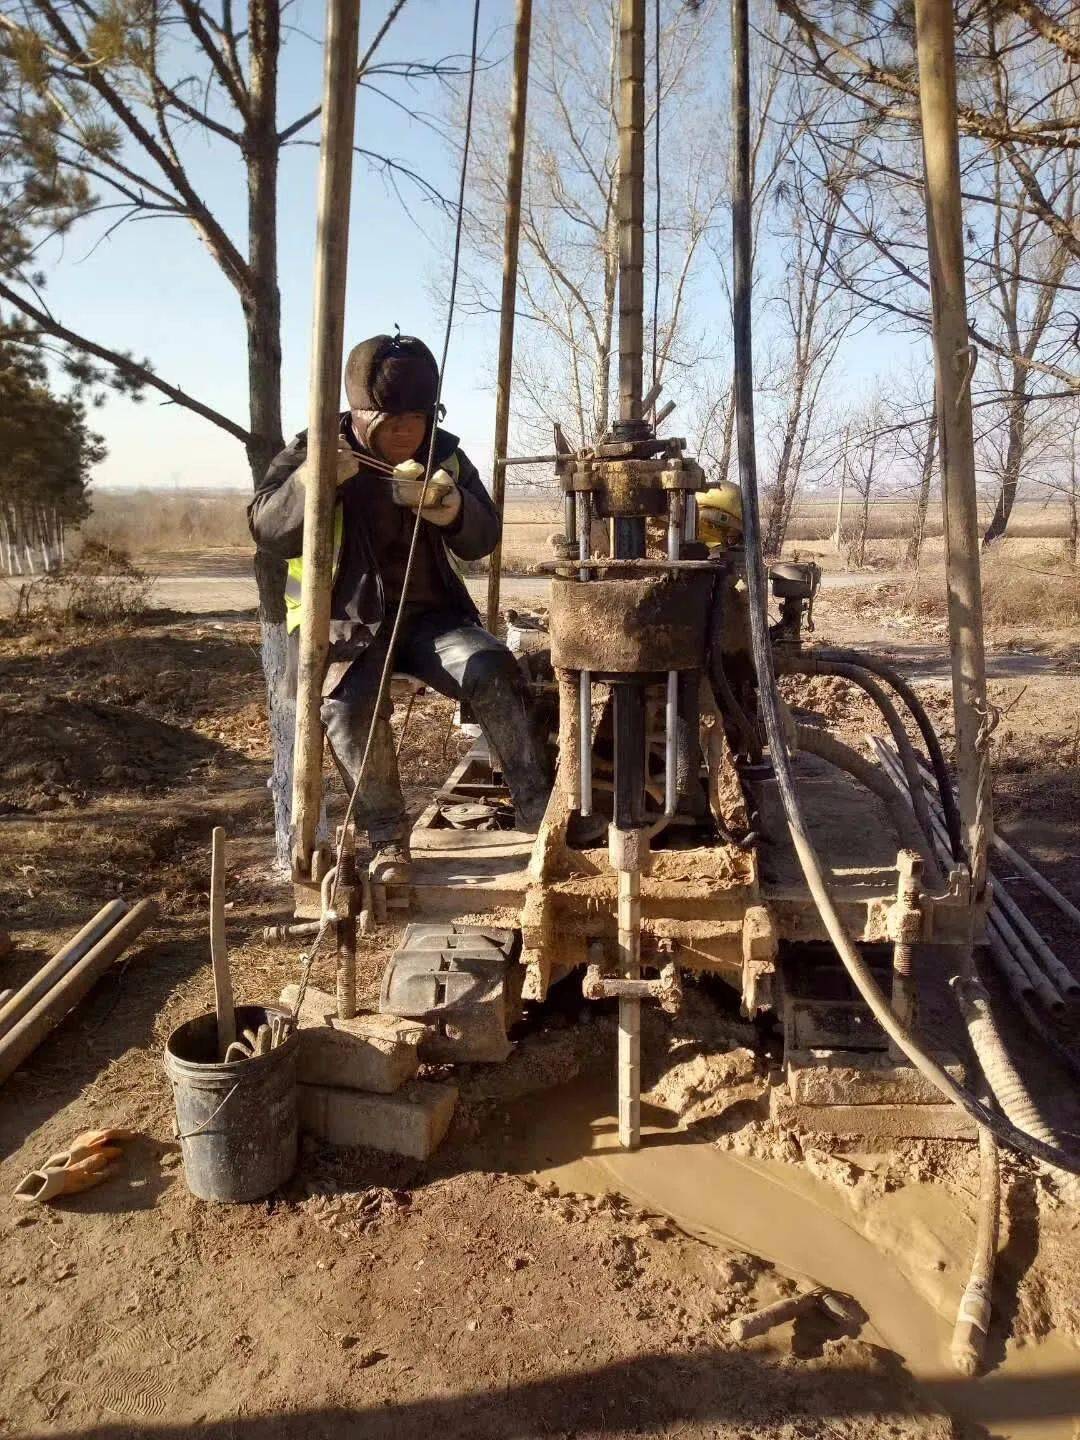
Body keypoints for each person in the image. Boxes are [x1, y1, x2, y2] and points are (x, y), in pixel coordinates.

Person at [249, 332, 551, 883]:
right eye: (391, 417)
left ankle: (540, 812)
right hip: (343, 624)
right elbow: (268, 528)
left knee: (492, 668)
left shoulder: (443, 455)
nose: (407, 429)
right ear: (359, 412)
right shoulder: (317, 449)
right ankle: (387, 838)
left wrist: (456, 510)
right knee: (345, 707)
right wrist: (312, 485)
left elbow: (482, 537)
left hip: (429, 622)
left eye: (417, 415)